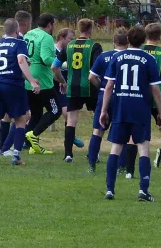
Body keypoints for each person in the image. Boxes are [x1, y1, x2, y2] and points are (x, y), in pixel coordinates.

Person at [99, 26, 161, 202]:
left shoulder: (117, 57)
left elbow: (109, 86)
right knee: (143, 147)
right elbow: (155, 89)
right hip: (140, 109)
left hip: (121, 107)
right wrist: (160, 111)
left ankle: (110, 189)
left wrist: (104, 110)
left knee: (116, 147)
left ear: (128, 39)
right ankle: (143, 190)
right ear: (143, 41)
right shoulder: (149, 58)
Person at [0, 19, 40, 165]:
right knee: (21, 119)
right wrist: (32, 81)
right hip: (14, 86)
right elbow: (21, 61)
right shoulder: (19, 44)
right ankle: (16, 156)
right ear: (17, 31)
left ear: (5, 30)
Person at [125, 23, 161, 178]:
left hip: (139, 96)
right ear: (160, 36)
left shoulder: (137, 51)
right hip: (158, 96)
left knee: (133, 133)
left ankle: (129, 171)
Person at [52, 19, 103, 162]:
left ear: (78, 29)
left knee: (71, 120)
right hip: (90, 86)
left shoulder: (69, 46)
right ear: (91, 29)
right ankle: (93, 154)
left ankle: (68, 154)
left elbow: (54, 66)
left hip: (73, 86)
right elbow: (97, 68)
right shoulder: (95, 46)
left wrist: (62, 81)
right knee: (96, 118)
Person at [87, 28, 129, 173]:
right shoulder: (129, 57)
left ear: (113, 42)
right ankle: (122, 166)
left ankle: (91, 164)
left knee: (98, 130)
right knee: (123, 131)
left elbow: (91, 77)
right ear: (127, 43)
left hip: (105, 94)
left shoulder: (104, 56)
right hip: (123, 97)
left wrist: (102, 87)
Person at [23, 13, 63, 155]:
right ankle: (34, 134)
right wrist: (61, 62)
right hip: (42, 79)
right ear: (50, 24)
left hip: (28, 76)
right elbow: (46, 59)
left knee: (36, 113)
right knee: (55, 110)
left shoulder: (29, 34)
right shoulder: (46, 37)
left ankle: (28, 144)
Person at [0, 10, 33, 155]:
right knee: (24, 116)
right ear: (23, 25)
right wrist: (31, 78)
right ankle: (6, 148)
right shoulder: (20, 40)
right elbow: (21, 61)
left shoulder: (3, 38)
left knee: (6, 116)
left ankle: (1, 147)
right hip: (14, 82)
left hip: (1, 79)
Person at [49, 28, 75, 132]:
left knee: (66, 108)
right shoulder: (52, 49)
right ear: (61, 38)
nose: (72, 42)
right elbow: (52, 66)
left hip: (63, 84)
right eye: (70, 39)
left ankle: (69, 134)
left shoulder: (70, 51)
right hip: (51, 82)